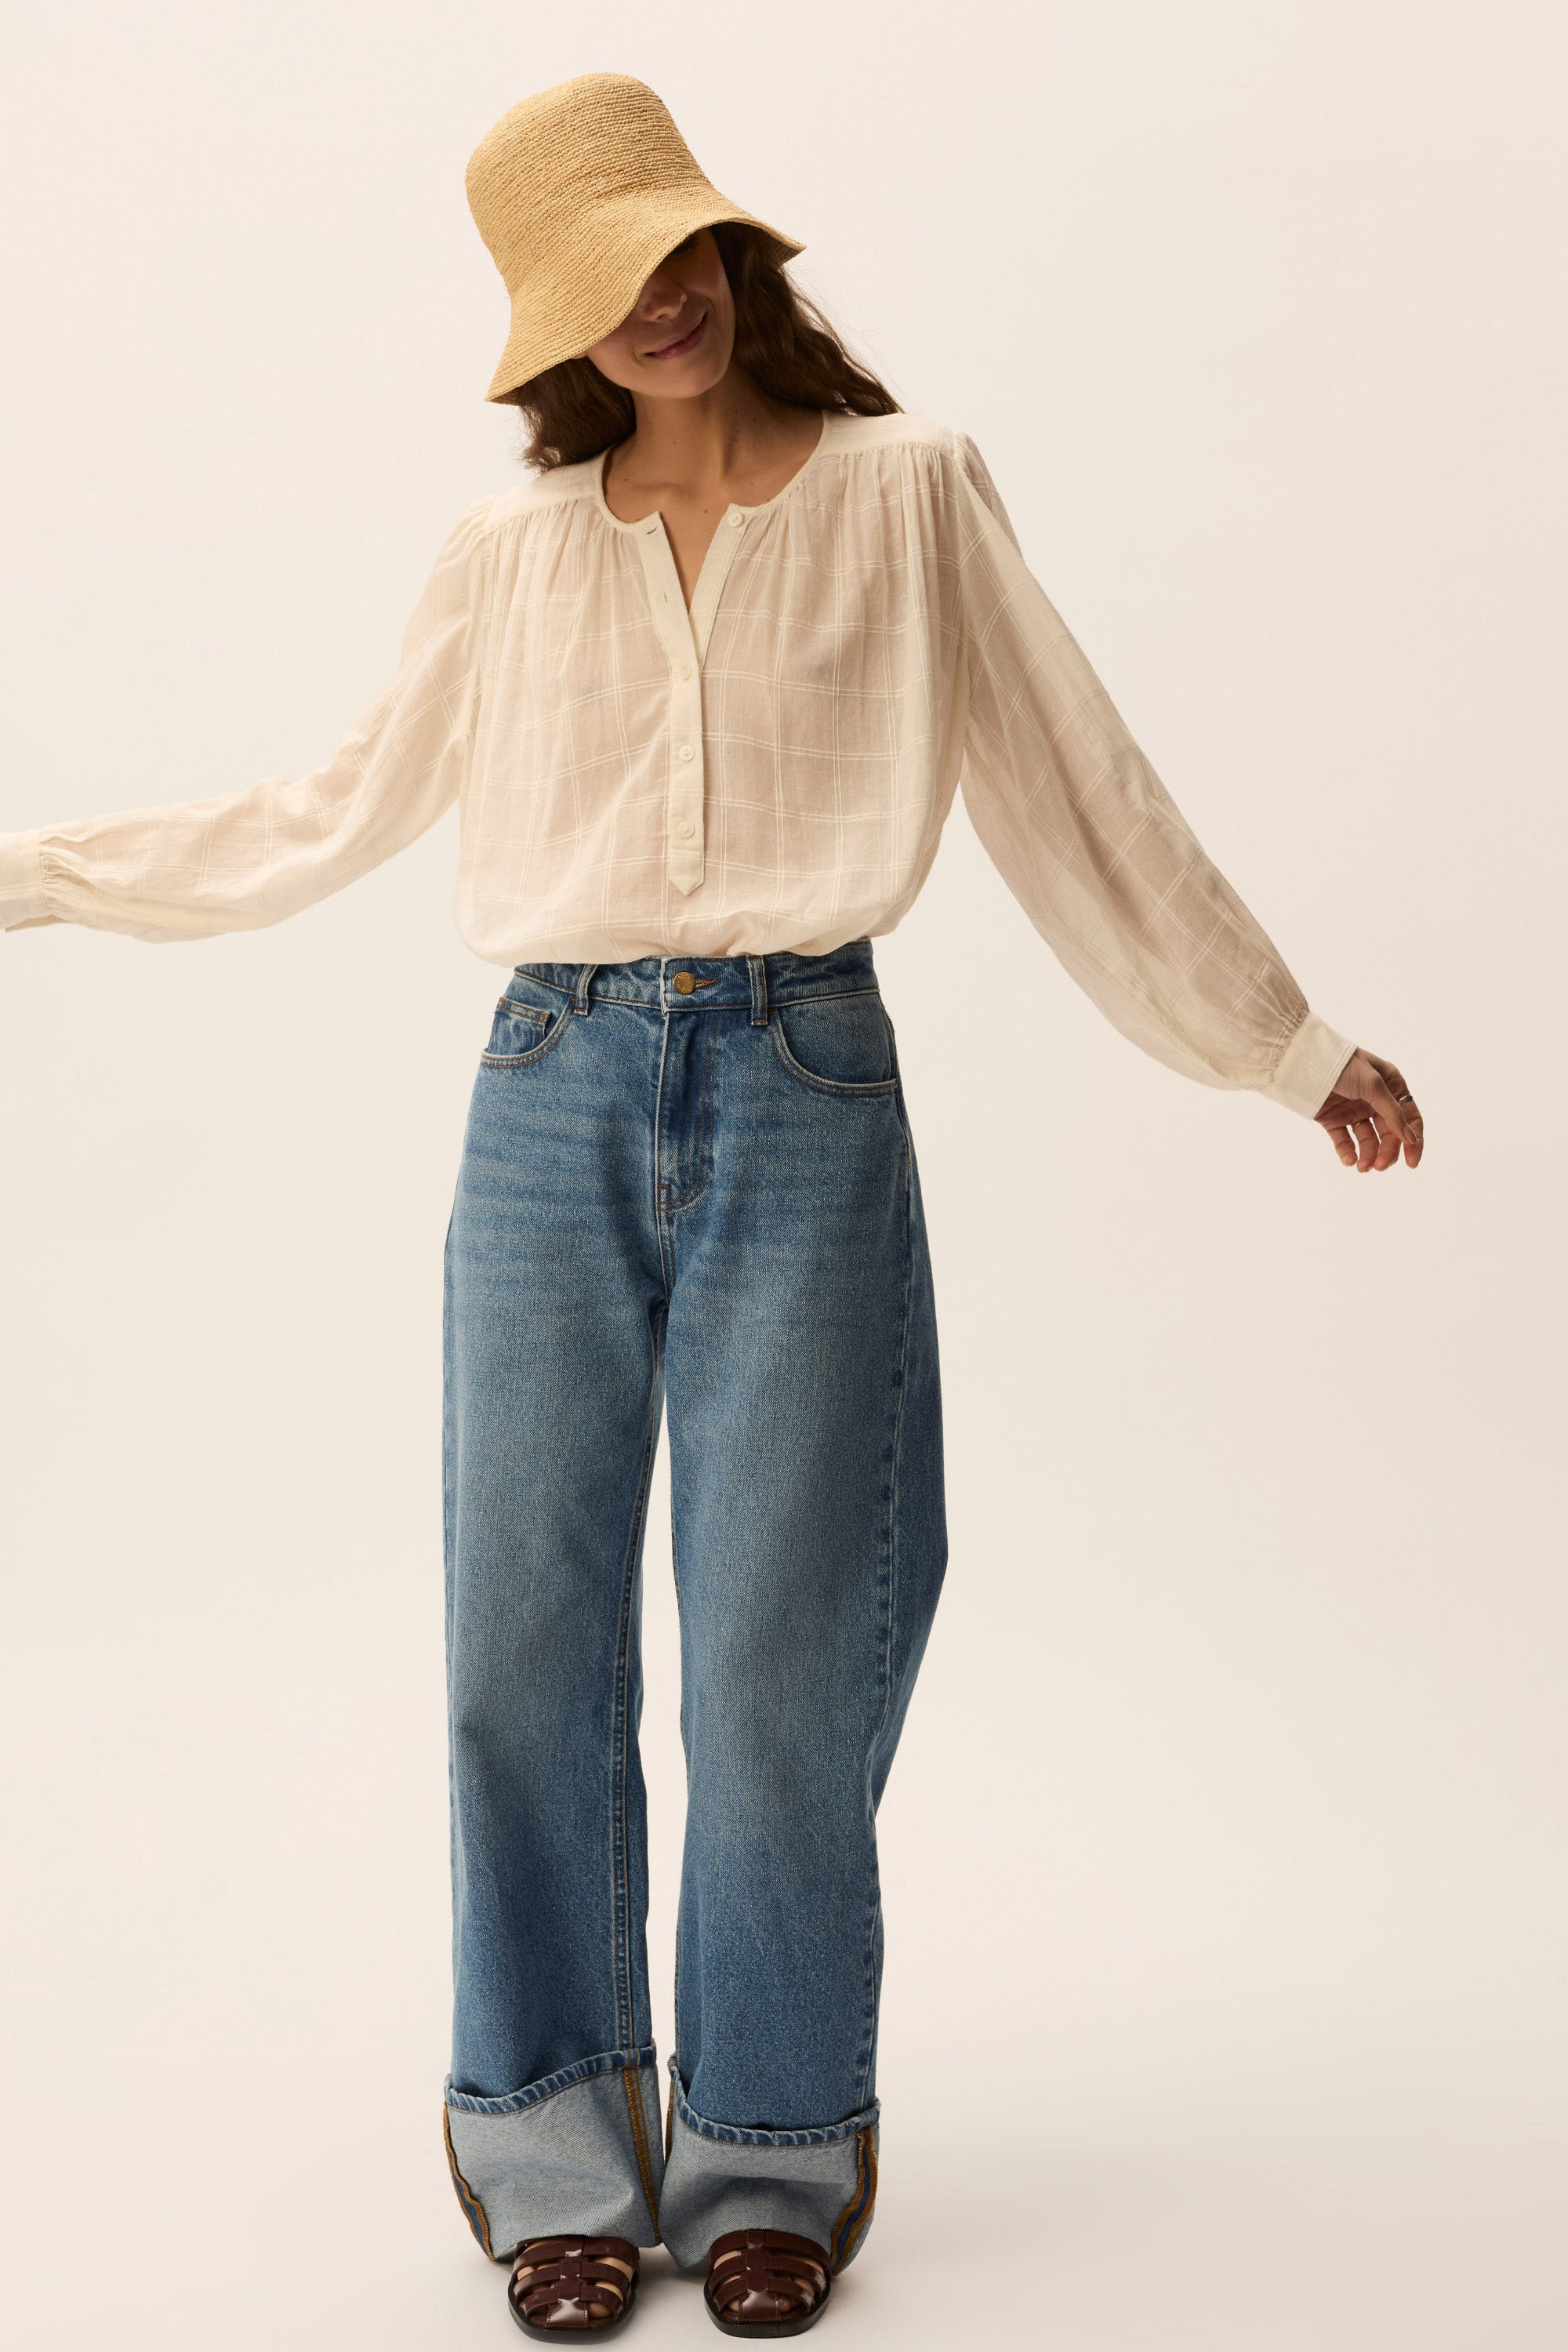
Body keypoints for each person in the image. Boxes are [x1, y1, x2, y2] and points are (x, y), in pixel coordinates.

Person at [0, 71, 1423, 2343]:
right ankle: (554, 2143)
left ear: (734, 248)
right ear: (547, 324)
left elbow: (1081, 793)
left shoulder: (909, 490)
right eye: (603, 282)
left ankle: (769, 2144)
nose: (657, 303)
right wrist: (45, 875)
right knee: (520, 1645)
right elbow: (332, 808)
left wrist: (1284, 1042)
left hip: (803, 1078)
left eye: (675, 250)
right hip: (545, 1095)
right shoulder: (508, 552)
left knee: (779, 1657)